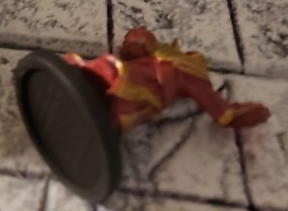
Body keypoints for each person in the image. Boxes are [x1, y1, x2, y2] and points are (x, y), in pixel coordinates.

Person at [64, 27, 270, 134]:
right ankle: (78, 82)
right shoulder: (160, 52)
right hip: (131, 75)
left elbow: (212, 102)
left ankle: (96, 124)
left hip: (148, 92)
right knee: (108, 72)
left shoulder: (191, 72)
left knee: (121, 109)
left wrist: (231, 114)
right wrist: (138, 41)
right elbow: (137, 42)